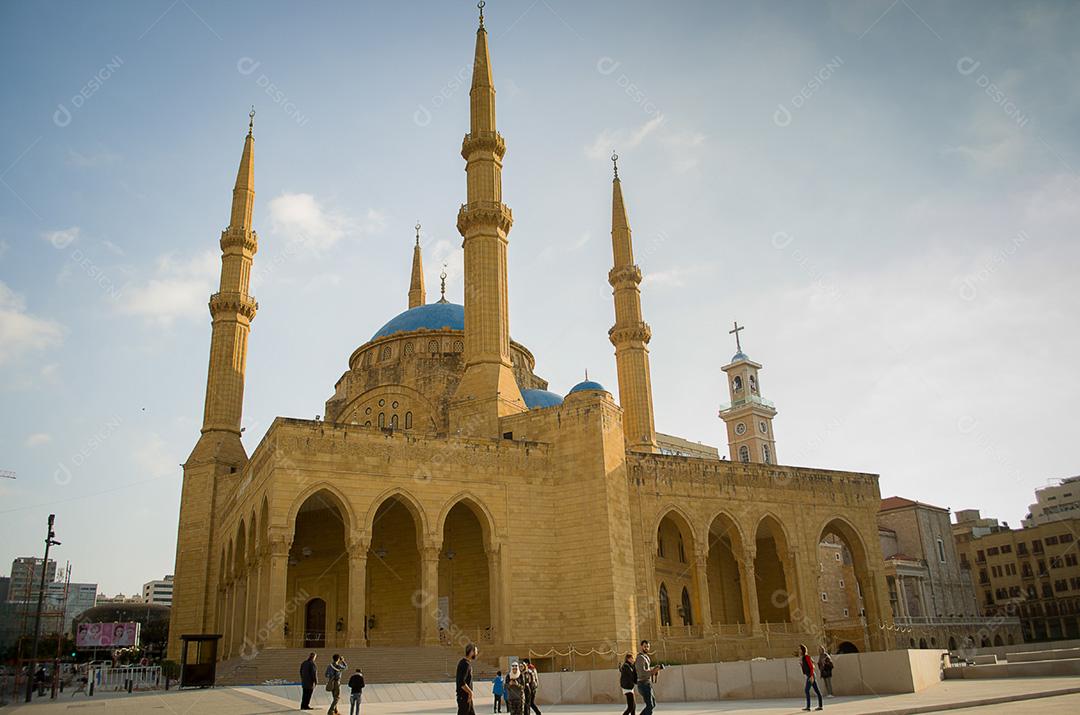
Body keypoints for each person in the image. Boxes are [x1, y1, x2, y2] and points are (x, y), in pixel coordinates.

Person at [634, 640, 661, 715]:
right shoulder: (640, 658)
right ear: (641, 646)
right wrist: (653, 671)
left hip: (647, 683)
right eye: (645, 646)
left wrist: (655, 671)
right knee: (650, 705)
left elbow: (647, 671)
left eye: (648, 647)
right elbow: (642, 672)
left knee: (653, 704)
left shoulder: (646, 657)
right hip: (643, 684)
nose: (646, 648)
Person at [799, 644, 823, 711]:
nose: (799, 650)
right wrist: (801, 664)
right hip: (809, 675)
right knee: (817, 691)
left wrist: (811, 676)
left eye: (800, 649)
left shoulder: (807, 657)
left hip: (811, 675)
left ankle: (808, 707)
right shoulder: (803, 657)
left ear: (802, 650)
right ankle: (820, 706)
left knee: (806, 690)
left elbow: (811, 667)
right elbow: (805, 669)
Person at [456, 643, 478, 715]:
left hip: (467, 698)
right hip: (464, 698)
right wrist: (470, 692)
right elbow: (461, 682)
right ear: (471, 652)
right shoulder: (465, 665)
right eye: (475, 651)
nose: (476, 654)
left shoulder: (464, 663)